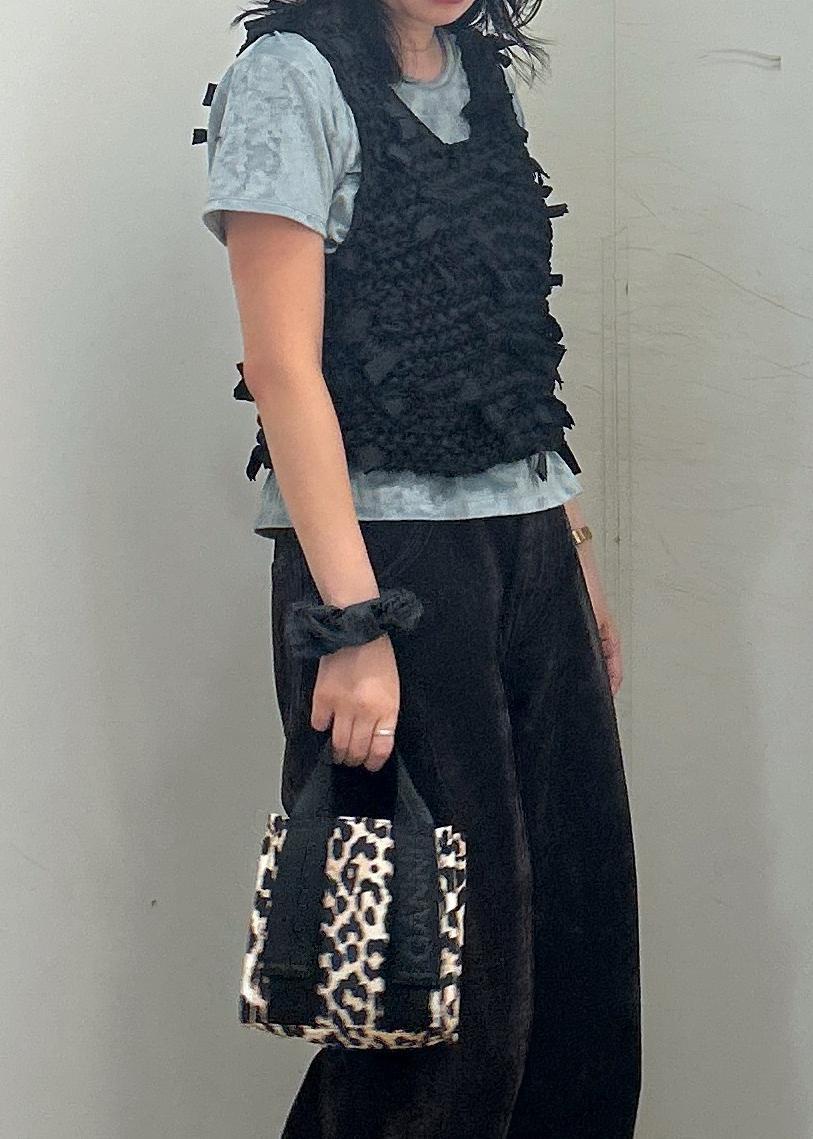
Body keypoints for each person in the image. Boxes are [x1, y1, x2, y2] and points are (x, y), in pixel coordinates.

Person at [196, 0, 641, 1134]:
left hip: (527, 544)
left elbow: (513, 347)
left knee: (579, 970)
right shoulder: (291, 75)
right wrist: (352, 623)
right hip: (388, 563)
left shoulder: (474, 73)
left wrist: (573, 548)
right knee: (434, 1006)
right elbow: (282, 367)